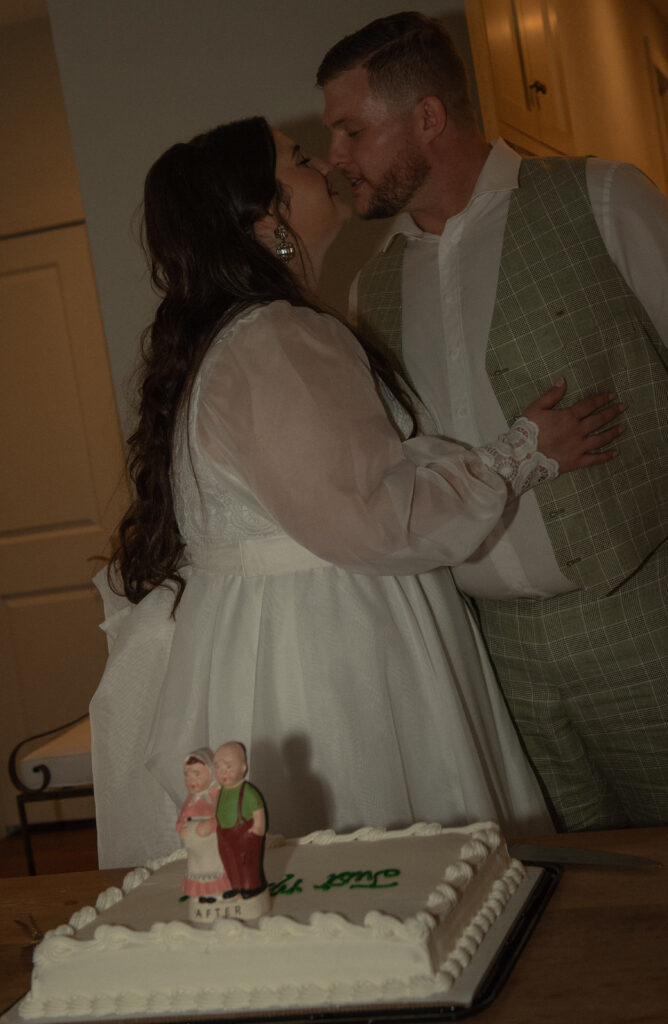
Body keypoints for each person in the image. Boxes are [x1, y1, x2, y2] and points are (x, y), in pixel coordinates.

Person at [90, 115, 624, 868]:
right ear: (266, 214)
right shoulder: (278, 337)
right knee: (388, 866)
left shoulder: (241, 336)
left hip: (279, 635)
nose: (326, 166)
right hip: (330, 646)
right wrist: (523, 453)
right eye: (301, 160)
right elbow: (376, 520)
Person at [317, 11, 668, 832]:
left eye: (351, 130)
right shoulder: (375, 285)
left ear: (428, 118)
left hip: (642, 619)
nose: (336, 157)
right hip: (494, 656)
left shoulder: (603, 196)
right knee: (563, 899)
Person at [213, 741, 267, 900]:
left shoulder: (248, 792)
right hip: (224, 834)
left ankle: (252, 887)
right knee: (229, 862)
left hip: (245, 833)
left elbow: (258, 810)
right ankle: (236, 885)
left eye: (228, 767)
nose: (223, 772)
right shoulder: (221, 792)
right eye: (218, 767)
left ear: (244, 767)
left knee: (246, 864)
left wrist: (258, 828)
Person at [176, 748, 230, 902]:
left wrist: (212, 825)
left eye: (197, 774)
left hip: (213, 842)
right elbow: (182, 817)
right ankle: (204, 893)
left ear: (211, 772)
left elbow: (225, 816)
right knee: (198, 869)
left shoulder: (218, 795)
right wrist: (181, 828)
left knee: (216, 865)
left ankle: (221, 889)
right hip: (195, 847)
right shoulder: (191, 799)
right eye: (187, 774)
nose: (191, 779)